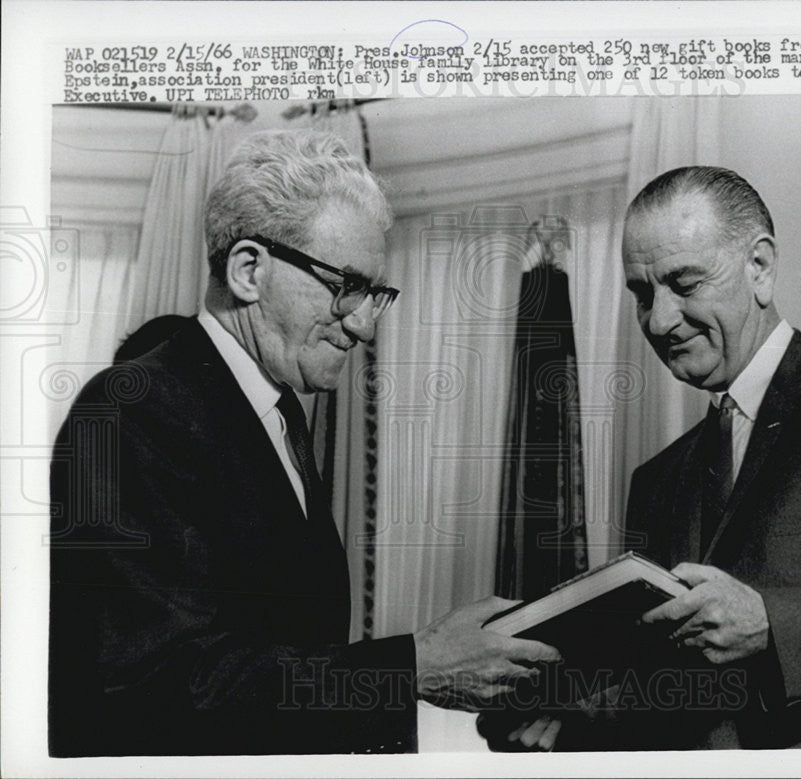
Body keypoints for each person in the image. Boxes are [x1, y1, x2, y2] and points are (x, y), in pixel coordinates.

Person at [49, 129, 560, 757]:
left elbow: (276, 647)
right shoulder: (132, 407)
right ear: (247, 271)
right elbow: (153, 689)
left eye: (374, 294)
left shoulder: (277, 408)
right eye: (345, 285)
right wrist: (413, 668)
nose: (365, 324)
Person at [486, 166, 801, 750]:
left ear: (760, 266)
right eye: (642, 294)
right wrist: (573, 724)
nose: (659, 320)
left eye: (684, 283)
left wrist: (770, 622)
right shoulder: (656, 480)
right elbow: (669, 690)